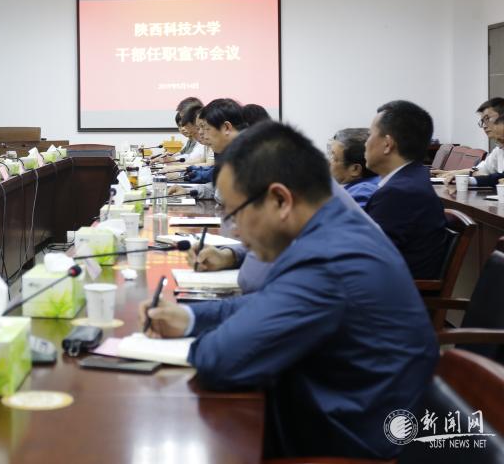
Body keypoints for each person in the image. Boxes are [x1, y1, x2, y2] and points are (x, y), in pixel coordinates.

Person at [141, 122, 438, 460]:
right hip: (338, 410)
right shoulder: (334, 227)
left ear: (280, 200)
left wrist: (205, 339)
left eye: (235, 214)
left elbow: (219, 360)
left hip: (346, 443)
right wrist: (189, 316)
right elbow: (266, 304)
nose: (234, 230)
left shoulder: (328, 260)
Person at [364, 100, 449, 279]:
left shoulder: (398, 193)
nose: (365, 143)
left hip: (392, 292)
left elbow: (367, 260)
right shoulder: (411, 178)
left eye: (370, 135)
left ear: (387, 144)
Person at [168, 98, 244, 197]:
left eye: (206, 128)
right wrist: (188, 191)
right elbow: (218, 188)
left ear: (226, 127)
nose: (201, 133)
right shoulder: (228, 150)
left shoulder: (253, 153)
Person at [433, 98, 504, 181]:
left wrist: (470, 179)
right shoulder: (499, 149)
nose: (484, 126)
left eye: (487, 119)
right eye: (483, 121)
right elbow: (481, 170)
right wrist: (452, 173)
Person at [327, 127, 380, 208]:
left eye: (334, 158)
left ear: (355, 169)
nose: (328, 162)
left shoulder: (362, 192)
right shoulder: (377, 182)